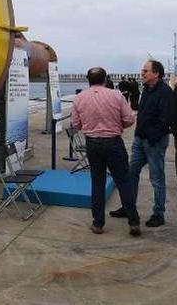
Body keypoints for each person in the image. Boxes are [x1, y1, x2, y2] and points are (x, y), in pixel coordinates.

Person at [72, 67, 140, 237]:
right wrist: (117, 126)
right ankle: (133, 221)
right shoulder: (116, 95)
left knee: (97, 183)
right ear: (105, 79)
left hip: (93, 144)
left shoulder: (79, 98)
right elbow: (129, 119)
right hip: (114, 142)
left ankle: (98, 223)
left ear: (88, 80)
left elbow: (75, 125)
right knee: (124, 181)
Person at [110, 60, 173, 228]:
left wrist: (152, 137)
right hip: (140, 139)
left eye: (145, 71)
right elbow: (143, 113)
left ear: (156, 73)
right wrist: (139, 134)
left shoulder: (165, 92)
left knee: (157, 178)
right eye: (142, 70)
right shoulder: (146, 89)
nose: (142, 73)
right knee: (131, 173)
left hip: (155, 141)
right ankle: (128, 207)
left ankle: (158, 214)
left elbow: (165, 119)